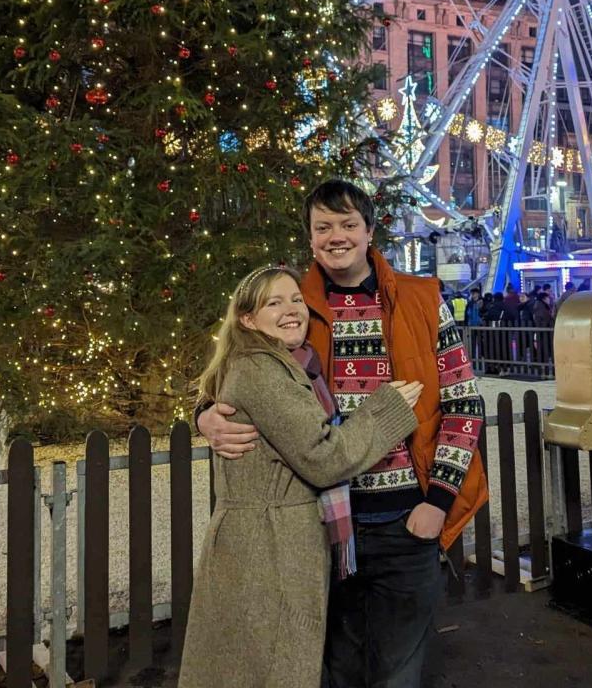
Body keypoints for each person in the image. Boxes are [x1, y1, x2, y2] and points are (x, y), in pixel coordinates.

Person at [197, 179, 488, 688]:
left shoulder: (423, 299)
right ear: (310, 238)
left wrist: (437, 503)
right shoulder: (293, 306)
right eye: (323, 227)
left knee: (398, 670)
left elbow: (463, 404)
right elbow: (238, 367)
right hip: (323, 528)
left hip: (406, 518)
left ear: (369, 231)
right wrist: (204, 412)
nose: (336, 236)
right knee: (333, 668)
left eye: (348, 224)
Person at [179, 266, 422, 688]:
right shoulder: (262, 370)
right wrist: (387, 410)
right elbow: (323, 456)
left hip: (272, 540)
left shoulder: (293, 362)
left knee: (265, 662)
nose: (291, 310)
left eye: (295, 299)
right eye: (274, 303)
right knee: (275, 664)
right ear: (247, 320)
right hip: (269, 547)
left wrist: (202, 414)